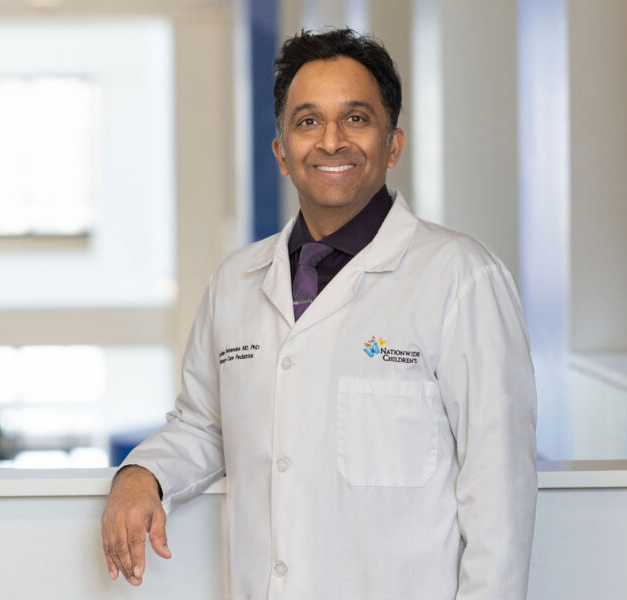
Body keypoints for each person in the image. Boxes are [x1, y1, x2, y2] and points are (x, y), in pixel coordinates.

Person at [101, 28, 537, 599]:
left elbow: (499, 491)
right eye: (308, 121)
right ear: (281, 152)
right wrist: (142, 474)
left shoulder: (462, 278)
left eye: (356, 118)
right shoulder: (235, 282)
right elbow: (205, 424)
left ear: (393, 144)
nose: (331, 141)